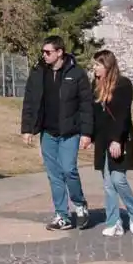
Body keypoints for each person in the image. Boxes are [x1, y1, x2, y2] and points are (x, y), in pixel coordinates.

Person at [21, 35, 94, 230]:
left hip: (70, 132)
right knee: (54, 175)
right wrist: (27, 129)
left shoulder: (76, 73)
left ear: (60, 52)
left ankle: (79, 205)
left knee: (69, 169)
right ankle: (62, 215)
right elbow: (29, 102)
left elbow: (86, 105)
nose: (44, 55)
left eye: (48, 52)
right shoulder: (38, 72)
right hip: (48, 132)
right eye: (43, 52)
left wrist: (87, 133)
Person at [88, 50, 133, 235]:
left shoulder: (122, 84)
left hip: (119, 139)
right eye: (94, 64)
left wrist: (116, 140)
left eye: (98, 64)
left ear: (108, 66)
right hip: (102, 140)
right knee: (107, 183)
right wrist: (89, 136)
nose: (94, 68)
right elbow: (94, 115)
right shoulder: (95, 85)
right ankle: (113, 222)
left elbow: (122, 115)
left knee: (118, 179)